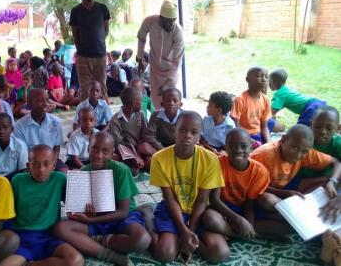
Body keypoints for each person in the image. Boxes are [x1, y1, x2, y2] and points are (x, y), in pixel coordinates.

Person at [54, 132, 150, 266]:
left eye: (105, 151)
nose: (99, 155)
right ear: (88, 149)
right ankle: (109, 254)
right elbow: (74, 213)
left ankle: (100, 241)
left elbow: (123, 212)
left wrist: (91, 219)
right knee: (60, 228)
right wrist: (79, 213)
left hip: (121, 219)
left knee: (142, 240)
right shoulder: (82, 173)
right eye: (94, 149)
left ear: (112, 153)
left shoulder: (121, 170)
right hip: (95, 221)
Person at [148, 111, 229, 264]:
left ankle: (185, 241)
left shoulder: (211, 160)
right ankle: (147, 218)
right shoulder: (159, 158)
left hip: (199, 211)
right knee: (164, 254)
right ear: (174, 131)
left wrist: (189, 231)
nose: (188, 135)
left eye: (194, 132)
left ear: (200, 135)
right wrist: (183, 229)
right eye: (182, 130)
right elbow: (170, 198)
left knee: (220, 253)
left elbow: (202, 200)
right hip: (173, 209)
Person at [1, 145, 84, 266]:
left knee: (76, 260)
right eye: (35, 164)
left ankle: (31, 264)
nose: (41, 169)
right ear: (28, 166)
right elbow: (9, 212)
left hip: (49, 237)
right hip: (22, 237)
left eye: (46, 164)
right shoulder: (18, 181)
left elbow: (73, 203)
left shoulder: (60, 179)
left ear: (53, 166)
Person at [251, 125, 340, 213]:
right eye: (295, 148)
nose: (298, 155)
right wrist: (284, 193)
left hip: (289, 184)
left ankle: (302, 205)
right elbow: (253, 186)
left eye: (304, 151)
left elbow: (336, 163)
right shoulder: (266, 155)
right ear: (283, 140)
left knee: (327, 181)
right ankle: (291, 215)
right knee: (267, 200)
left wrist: (332, 181)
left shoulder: (305, 150)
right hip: (265, 189)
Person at [202, 128, 270, 240]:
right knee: (209, 218)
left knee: (287, 226)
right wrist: (238, 220)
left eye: (244, 146)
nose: (238, 150)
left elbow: (250, 203)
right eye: (232, 146)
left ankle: (243, 231)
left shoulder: (259, 171)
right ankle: (246, 235)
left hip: (244, 208)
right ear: (226, 148)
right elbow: (214, 200)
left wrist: (248, 224)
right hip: (221, 208)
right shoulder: (217, 164)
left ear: (251, 147)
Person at [136, 1, 184, 108]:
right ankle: (157, 120)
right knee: (156, 98)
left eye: (172, 21)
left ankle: (172, 123)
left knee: (170, 97)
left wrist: (168, 83)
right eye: (166, 21)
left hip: (171, 68)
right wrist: (140, 58)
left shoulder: (178, 31)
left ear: (175, 20)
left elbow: (177, 61)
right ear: (160, 18)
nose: (169, 24)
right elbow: (141, 37)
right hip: (155, 67)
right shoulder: (150, 21)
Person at [70, 0, 111, 101]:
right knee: (85, 88)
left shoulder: (103, 8)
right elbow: (75, 35)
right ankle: (85, 116)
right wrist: (80, 51)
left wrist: (99, 42)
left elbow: (106, 30)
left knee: (101, 86)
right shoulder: (76, 11)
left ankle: (104, 115)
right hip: (83, 56)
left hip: (100, 55)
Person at [14, 88, 67, 172]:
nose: (45, 104)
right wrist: (34, 167)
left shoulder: (55, 122)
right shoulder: (19, 126)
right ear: (30, 104)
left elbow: (56, 147)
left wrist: (53, 163)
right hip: (31, 163)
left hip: (51, 160)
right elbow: (22, 154)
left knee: (65, 174)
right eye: (40, 101)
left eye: (46, 99)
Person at [109, 87, 155, 174]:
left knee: (146, 150)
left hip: (140, 149)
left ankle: (140, 163)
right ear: (133, 103)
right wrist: (133, 157)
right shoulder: (115, 120)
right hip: (127, 152)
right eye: (140, 101)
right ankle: (137, 164)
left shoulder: (140, 114)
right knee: (132, 170)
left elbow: (145, 134)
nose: (141, 104)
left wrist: (139, 153)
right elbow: (118, 143)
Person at [298, 106, 341, 187]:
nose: (323, 131)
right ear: (311, 124)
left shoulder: (337, 142)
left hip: (330, 181)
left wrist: (332, 180)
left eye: (329, 128)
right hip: (304, 180)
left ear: (338, 128)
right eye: (318, 127)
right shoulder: (303, 139)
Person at [231, 66, 273, 144]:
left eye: (267, 77)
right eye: (259, 76)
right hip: (242, 135)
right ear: (247, 80)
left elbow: (264, 127)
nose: (264, 79)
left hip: (258, 134)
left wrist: (268, 142)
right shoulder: (240, 100)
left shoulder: (266, 100)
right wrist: (251, 141)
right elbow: (235, 127)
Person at [0, 113, 28, 180]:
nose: (1, 131)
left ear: (11, 129)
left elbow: (23, 170)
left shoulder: (20, 146)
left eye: (5, 127)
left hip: (12, 180)